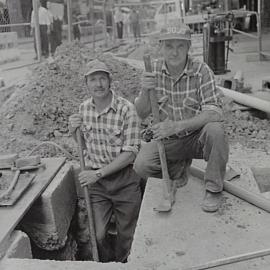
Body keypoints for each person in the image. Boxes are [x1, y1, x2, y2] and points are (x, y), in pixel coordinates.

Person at [133, 22, 229, 213]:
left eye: (180, 46)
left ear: (188, 48)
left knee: (216, 131)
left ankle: (213, 188)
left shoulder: (201, 70)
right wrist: (145, 90)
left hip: (196, 138)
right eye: (169, 46)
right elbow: (141, 112)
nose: (174, 52)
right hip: (169, 142)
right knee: (142, 166)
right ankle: (179, 170)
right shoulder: (153, 71)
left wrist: (177, 126)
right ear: (161, 47)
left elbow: (215, 112)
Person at [69, 59, 142, 262]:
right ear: (87, 84)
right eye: (93, 79)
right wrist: (73, 130)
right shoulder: (83, 109)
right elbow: (83, 144)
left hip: (125, 180)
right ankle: (109, 263)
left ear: (110, 82)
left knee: (127, 236)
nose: (98, 84)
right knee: (97, 234)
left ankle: (124, 263)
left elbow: (130, 154)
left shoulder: (127, 109)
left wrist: (97, 173)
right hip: (98, 186)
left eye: (102, 78)